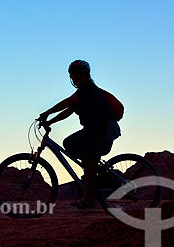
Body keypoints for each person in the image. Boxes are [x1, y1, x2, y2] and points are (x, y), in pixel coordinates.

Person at [38, 60, 123, 209]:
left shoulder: (88, 89)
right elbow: (69, 110)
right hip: (96, 131)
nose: (75, 79)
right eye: (73, 76)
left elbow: (68, 102)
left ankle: (89, 198)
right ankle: (92, 178)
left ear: (85, 76)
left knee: (75, 148)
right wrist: (50, 122)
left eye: (77, 76)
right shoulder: (85, 92)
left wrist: (47, 112)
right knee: (75, 148)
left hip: (100, 131)